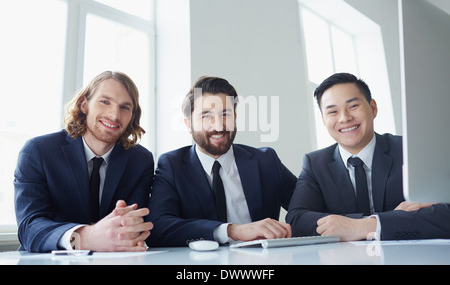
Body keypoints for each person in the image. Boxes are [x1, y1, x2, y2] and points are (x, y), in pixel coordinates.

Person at [287, 73, 450, 241]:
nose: (345, 118)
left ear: (373, 108)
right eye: (333, 111)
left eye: (353, 106)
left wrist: (369, 226)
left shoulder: (410, 151)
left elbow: (445, 212)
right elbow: (297, 219)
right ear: (324, 120)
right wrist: (366, 223)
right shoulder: (315, 163)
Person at [146, 76, 296, 247]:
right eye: (206, 116)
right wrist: (231, 231)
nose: (218, 125)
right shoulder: (172, 165)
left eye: (225, 114)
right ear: (188, 124)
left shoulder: (266, 161)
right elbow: (157, 228)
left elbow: (304, 209)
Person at [14, 71, 154, 253]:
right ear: (84, 105)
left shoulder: (140, 160)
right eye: (105, 102)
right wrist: (85, 237)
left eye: (125, 107)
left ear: (132, 117)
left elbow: (133, 227)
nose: (114, 114)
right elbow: (29, 228)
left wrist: (129, 227)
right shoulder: (38, 151)